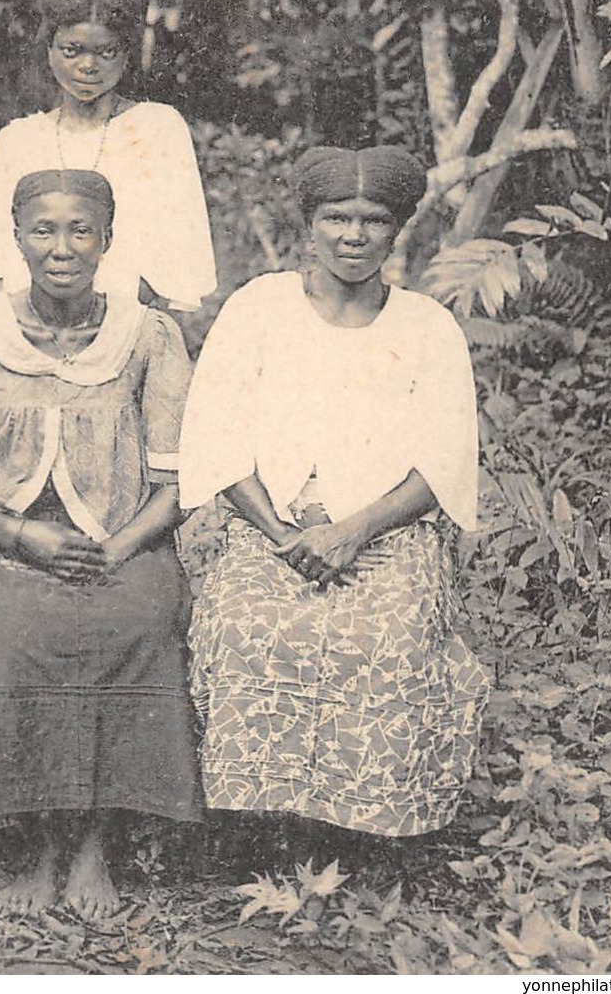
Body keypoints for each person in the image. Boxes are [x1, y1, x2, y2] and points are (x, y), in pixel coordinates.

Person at [180, 145, 487, 842]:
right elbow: (217, 436)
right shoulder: (258, 308)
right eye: (335, 217)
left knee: (387, 633)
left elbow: (441, 462)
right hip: (269, 528)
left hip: (387, 532)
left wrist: (352, 531)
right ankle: (257, 829)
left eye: (372, 220)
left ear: (397, 227)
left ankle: (365, 832)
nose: (352, 236)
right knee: (245, 626)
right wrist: (283, 535)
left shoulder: (426, 327)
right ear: (308, 223)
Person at [0, 169, 203, 921]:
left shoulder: (147, 334)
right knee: (22, 635)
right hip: (2, 543)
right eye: (43, 231)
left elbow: (175, 479)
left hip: (123, 542)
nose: (62, 248)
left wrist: (119, 549)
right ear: (17, 238)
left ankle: (92, 846)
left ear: (107, 241)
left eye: (80, 231)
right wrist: (21, 535)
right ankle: (38, 845)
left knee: (139, 625)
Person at [0, 0, 215, 327]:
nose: (88, 66)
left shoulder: (158, 129)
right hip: (27, 328)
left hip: (126, 325)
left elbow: (177, 250)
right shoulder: (18, 139)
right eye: (72, 50)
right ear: (49, 49)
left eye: (106, 52)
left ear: (125, 54)